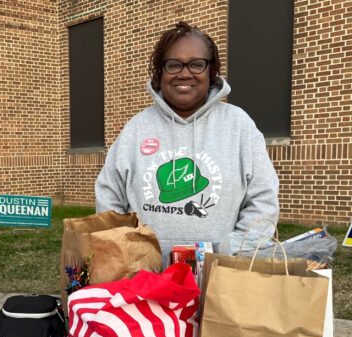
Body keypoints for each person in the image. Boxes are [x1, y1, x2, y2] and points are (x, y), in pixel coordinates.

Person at [95, 21, 279, 263]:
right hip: (147, 276)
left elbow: (263, 199)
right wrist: (129, 257)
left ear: (211, 71)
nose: (184, 73)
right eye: (173, 64)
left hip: (220, 275)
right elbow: (109, 197)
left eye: (196, 64)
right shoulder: (136, 129)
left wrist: (232, 254)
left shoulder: (239, 125)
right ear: (160, 72)